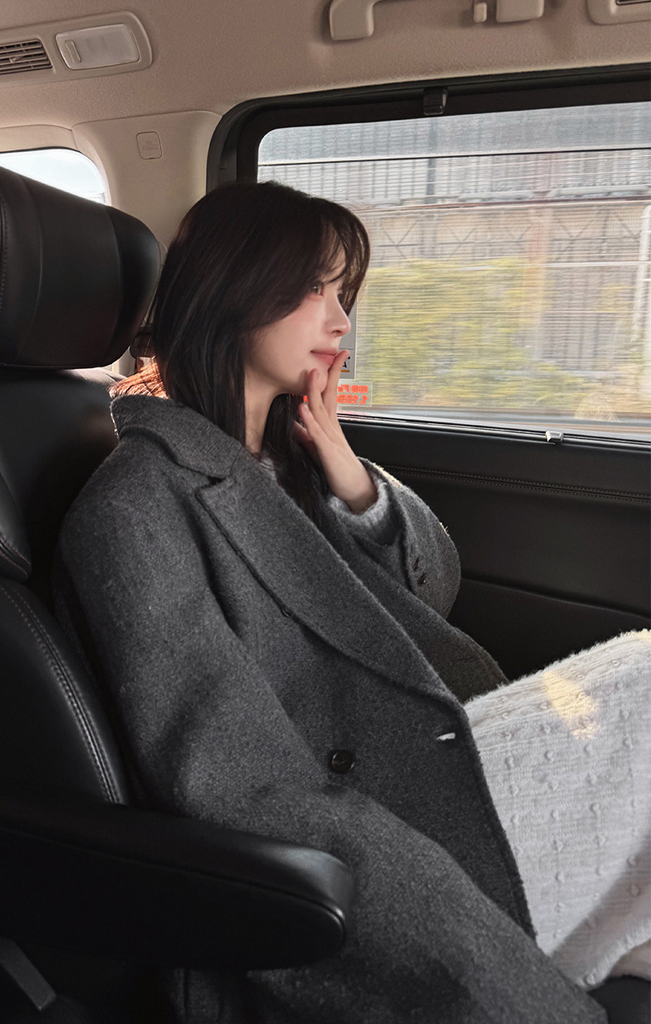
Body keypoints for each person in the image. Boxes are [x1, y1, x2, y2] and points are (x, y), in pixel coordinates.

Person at [55, 181, 649, 1023]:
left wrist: (349, 475)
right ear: (231, 291)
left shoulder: (284, 455)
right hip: (375, 835)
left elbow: (433, 588)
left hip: (425, 751)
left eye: (345, 293)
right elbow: (242, 790)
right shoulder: (135, 507)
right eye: (314, 289)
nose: (341, 321)